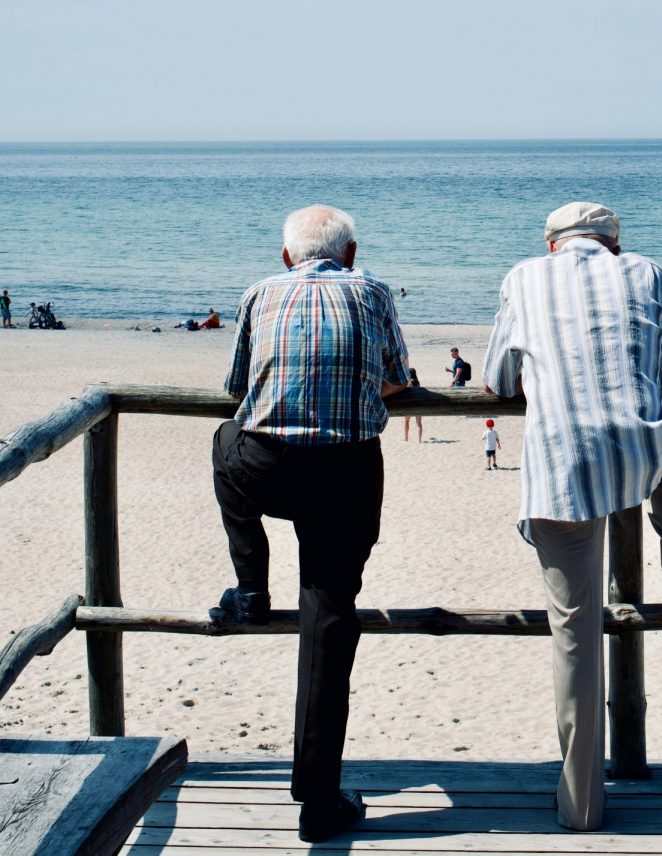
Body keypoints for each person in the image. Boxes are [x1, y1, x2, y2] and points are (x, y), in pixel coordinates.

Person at [483, 201, 662, 832]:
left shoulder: (521, 277)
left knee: (574, 633)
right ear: (614, 246)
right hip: (637, 453)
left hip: (561, 466)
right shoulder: (648, 274)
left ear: (551, 245)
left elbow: (496, 382)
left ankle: (581, 807)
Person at [209, 204, 410, 843]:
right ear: (351, 254)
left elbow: (238, 388)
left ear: (286, 257)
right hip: (346, 475)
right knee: (329, 626)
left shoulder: (258, 294)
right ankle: (317, 798)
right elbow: (398, 381)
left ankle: (250, 585)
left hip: (268, 467)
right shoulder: (374, 291)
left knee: (223, 442)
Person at [403, 368, 423, 442]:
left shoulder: (409, 382)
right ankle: (419, 440)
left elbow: (406, 391)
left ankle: (406, 437)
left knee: (406, 422)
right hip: (418, 404)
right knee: (419, 424)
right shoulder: (417, 382)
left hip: (409, 405)